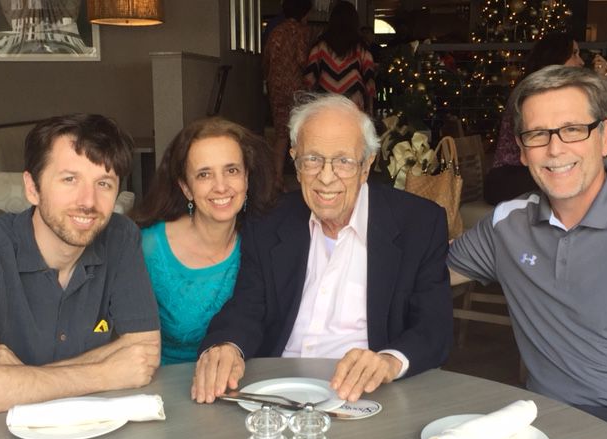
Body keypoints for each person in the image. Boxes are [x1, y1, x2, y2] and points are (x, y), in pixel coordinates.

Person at [191, 93, 453, 405]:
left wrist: (388, 361)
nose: (326, 177)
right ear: (295, 161)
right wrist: (226, 345)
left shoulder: (418, 223)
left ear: (367, 165)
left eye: (343, 161)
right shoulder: (270, 221)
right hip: (276, 394)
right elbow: (248, 305)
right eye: (312, 160)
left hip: (365, 396)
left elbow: (433, 327)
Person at [448, 65, 607, 432]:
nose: (555, 149)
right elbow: (426, 273)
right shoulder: (508, 225)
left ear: (605, 136)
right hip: (542, 417)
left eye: (573, 129)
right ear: (521, 150)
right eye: (537, 134)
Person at [0, 114, 160, 414]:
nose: (88, 201)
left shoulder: (120, 237)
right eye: (70, 179)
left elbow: (145, 351)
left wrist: (19, 380)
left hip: (99, 432)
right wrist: (105, 373)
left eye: (104, 183)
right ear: (32, 187)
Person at [130, 118, 276, 365]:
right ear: (186, 188)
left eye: (232, 170)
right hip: (167, 386)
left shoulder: (266, 243)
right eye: (204, 174)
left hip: (243, 384)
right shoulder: (148, 248)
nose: (221, 186)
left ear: (247, 178)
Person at [485, 32, 607, 205]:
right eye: (574, 53)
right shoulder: (530, 95)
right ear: (555, 55)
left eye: (572, 128)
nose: (580, 61)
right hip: (511, 177)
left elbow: (598, 116)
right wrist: (599, 80)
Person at [263, 0, 313, 190]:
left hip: (276, 87)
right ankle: (303, 175)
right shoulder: (299, 30)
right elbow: (302, 59)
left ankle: (276, 178)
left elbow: (266, 60)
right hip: (295, 88)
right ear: (304, 12)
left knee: (280, 134)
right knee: (299, 131)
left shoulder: (275, 31)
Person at [304, 1, 376, 115]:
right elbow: (370, 83)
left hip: (325, 104)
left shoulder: (320, 46)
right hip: (354, 106)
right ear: (354, 21)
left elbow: (309, 80)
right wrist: (370, 112)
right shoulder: (361, 48)